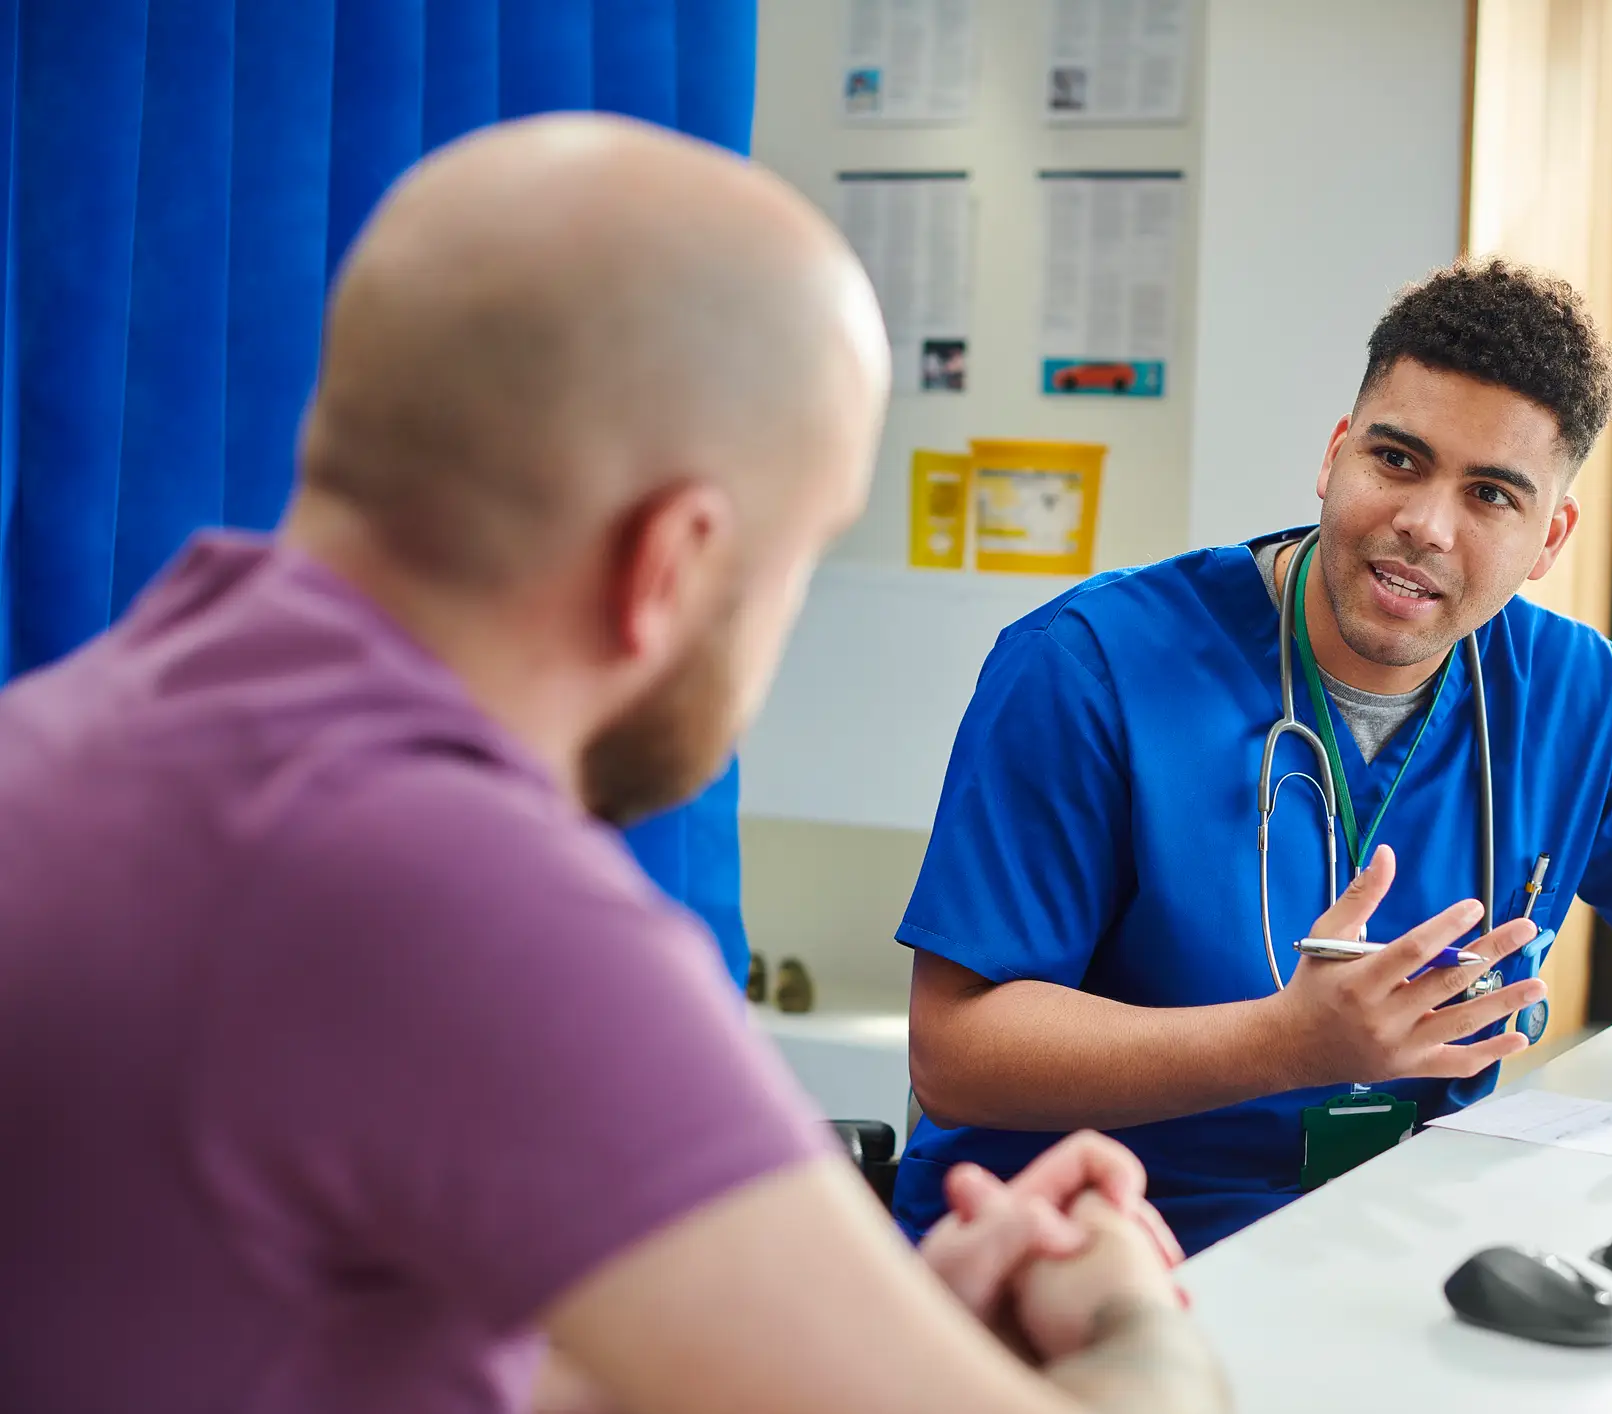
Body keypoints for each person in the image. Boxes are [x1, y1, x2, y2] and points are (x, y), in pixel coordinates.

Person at [0, 115, 1226, 1414]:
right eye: (798, 558)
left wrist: (870, 1330)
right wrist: (1127, 1315)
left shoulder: (74, 736)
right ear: (674, 561)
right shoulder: (461, 899)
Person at [897, 259, 1612, 1256]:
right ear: (1335, 454)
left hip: (1383, 1254)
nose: (1425, 525)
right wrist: (1284, 1044)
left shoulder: (1579, 700)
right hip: (1074, 1259)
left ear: (1549, 537)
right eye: (1397, 460)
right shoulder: (1091, 666)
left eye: (1490, 495)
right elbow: (955, 1054)